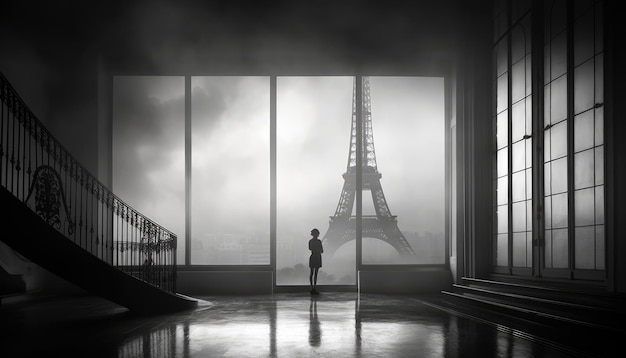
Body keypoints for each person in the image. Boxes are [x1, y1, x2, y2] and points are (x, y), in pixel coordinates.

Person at [308, 228, 323, 294]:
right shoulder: (319, 241)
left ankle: (312, 288)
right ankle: (314, 287)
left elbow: (310, 248)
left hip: (313, 256)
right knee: (315, 274)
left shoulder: (310, 241)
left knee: (312, 273)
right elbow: (322, 250)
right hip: (317, 257)